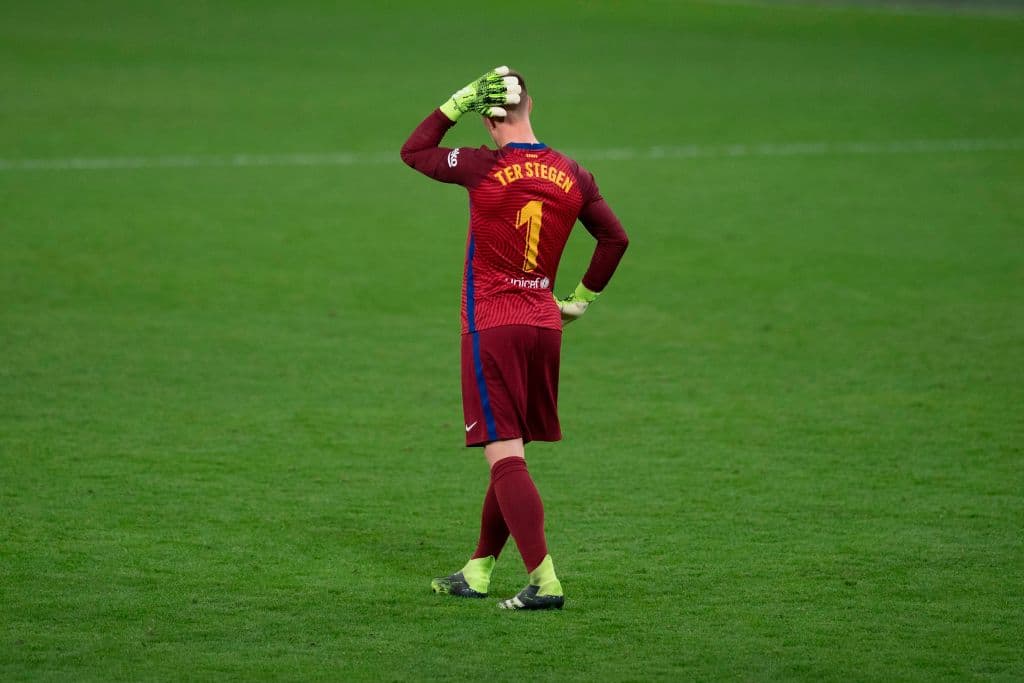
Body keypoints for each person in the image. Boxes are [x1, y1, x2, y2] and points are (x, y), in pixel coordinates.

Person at [400, 67, 629, 610]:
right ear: (532, 106)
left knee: (503, 454)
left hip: (492, 326)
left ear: (489, 114)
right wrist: (579, 300)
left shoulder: (483, 164)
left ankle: (544, 580)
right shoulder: (573, 173)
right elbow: (615, 239)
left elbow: (415, 151)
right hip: (544, 328)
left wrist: (453, 103)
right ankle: (477, 570)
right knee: (514, 452)